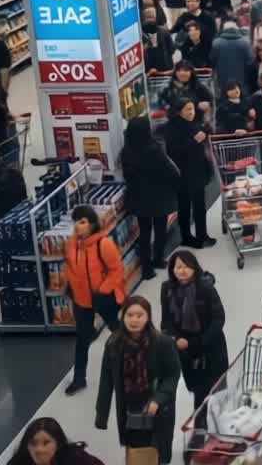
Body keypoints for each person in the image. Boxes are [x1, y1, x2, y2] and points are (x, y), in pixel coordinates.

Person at [93, 296, 182, 465]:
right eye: (130, 315)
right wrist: (101, 414)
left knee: (158, 450)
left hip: (157, 410)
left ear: (148, 317)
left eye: (139, 315)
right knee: (135, 448)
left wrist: (159, 399)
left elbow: (173, 374)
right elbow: (106, 380)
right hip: (129, 409)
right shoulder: (114, 343)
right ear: (123, 316)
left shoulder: (163, 343)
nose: (134, 320)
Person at [63, 205, 125, 396]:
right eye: (76, 222)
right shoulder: (71, 244)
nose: (78, 227)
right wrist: (72, 288)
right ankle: (79, 379)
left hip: (103, 298)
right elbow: (69, 267)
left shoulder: (103, 244)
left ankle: (135, 366)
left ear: (91, 224)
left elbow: (117, 270)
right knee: (82, 339)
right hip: (82, 301)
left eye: (82, 222)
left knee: (120, 333)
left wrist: (103, 290)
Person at [159, 250, 228, 417]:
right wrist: (176, 338)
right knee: (197, 387)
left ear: (194, 268)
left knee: (212, 389)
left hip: (210, 347)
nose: (182, 270)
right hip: (186, 351)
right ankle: (203, 422)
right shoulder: (167, 289)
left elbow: (218, 318)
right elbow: (166, 321)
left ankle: (203, 425)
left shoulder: (205, 287)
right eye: (178, 267)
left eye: (186, 266)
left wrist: (198, 342)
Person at [120, 117, 179, 279]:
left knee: (144, 234)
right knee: (160, 229)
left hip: (139, 198)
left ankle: (146, 269)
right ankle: (158, 259)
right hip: (159, 196)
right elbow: (169, 171)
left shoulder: (126, 152)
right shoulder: (154, 149)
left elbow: (127, 176)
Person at [165, 99, 214, 249]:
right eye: (187, 110)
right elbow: (174, 151)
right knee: (184, 206)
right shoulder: (172, 128)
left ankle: (202, 234)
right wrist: (194, 141)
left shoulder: (194, 123)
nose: (191, 112)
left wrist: (206, 130)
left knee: (200, 205)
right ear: (179, 111)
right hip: (183, 174)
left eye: (192, 109)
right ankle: (186, 236)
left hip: (198, 171)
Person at [6, 417, 106, 465]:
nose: (39, 449)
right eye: (33, 443)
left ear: (57, 443)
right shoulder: (18, 462)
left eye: (46, 443)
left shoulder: (75, 458)